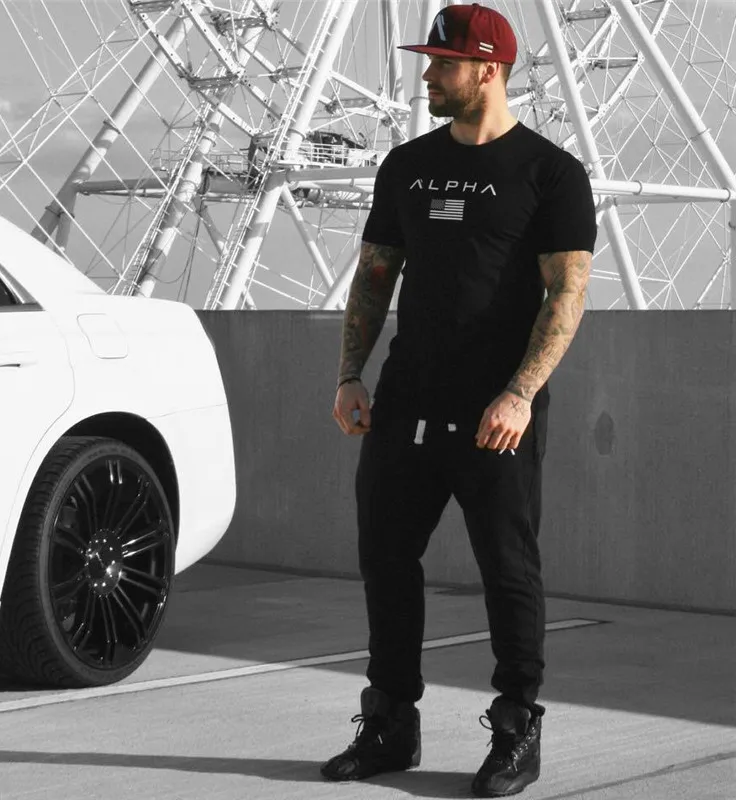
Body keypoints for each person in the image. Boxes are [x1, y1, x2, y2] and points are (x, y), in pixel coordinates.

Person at [322, 3, 597, 796]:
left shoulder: (550, 173)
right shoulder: (406, 166)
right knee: (385, 558)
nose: (429, 76)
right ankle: (389, 724)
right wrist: (350, 374)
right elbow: (375, 274)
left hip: (493, 412)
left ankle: (515, 731)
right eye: (429, 62)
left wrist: (520, 393)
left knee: (507, 569)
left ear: (488, 69)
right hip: (406, 398)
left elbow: (566, 295)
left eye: (444, 64)